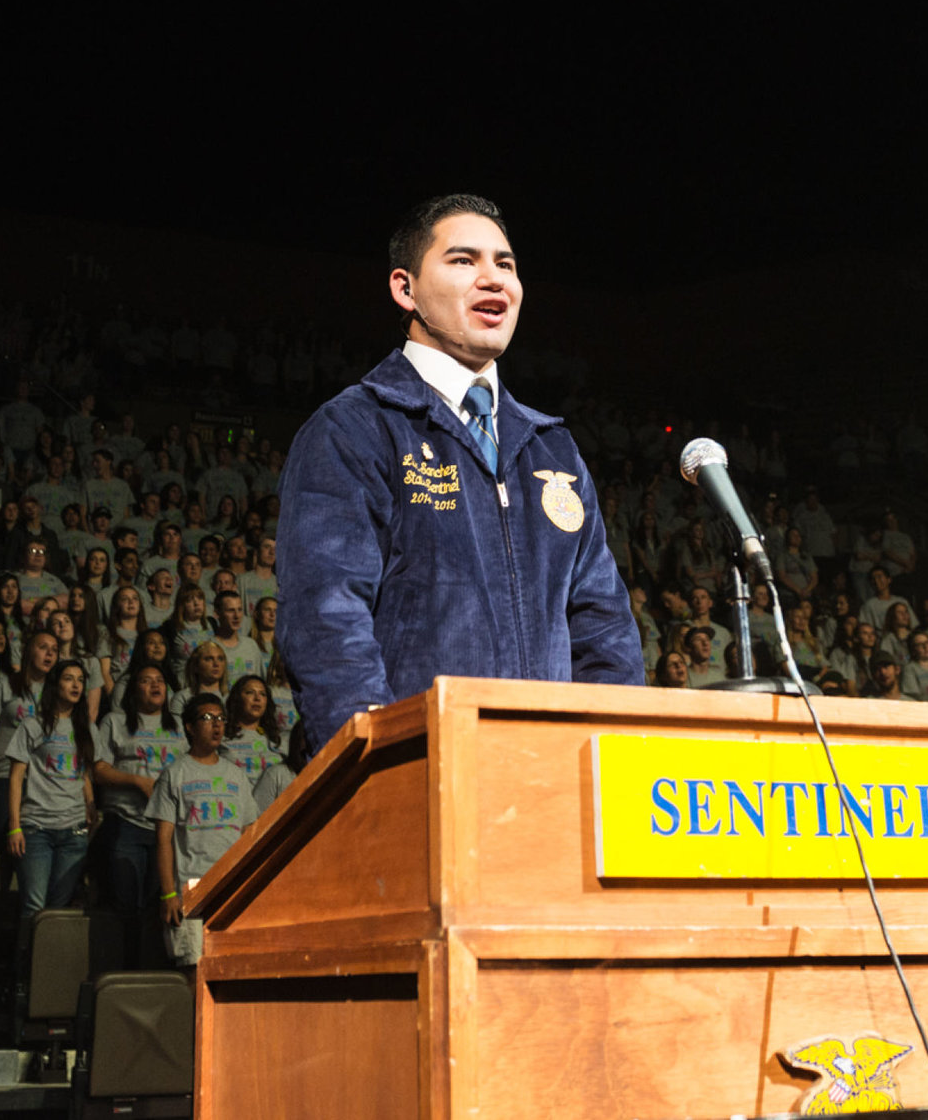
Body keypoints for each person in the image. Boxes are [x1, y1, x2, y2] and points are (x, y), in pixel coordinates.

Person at [278, 196, 639, 750]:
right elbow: (327, 619)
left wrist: (609, 753)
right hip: (417, 776)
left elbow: (604, 630)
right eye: (464, 261)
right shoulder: (353, 429)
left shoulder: (554, 451)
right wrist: (377, 762)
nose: (494, 279)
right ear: (406, 289)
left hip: (549, 784)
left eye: (506, 264)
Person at [150, 692, 259, 977]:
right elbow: (163, 838)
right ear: (189, 726)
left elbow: (249, 832)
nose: (217, 725)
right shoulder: (175, 774)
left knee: (229, 969)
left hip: (230, 890)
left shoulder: (236, 775)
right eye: (208, 718)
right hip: (191, 890)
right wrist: (168, 893)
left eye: (221, 718)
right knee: (193, 972)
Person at [92, 660, 179, 968]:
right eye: (146, 680)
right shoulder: (114, 722)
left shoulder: (179, 725)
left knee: (158, 907)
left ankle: (150, 974)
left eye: (160, 680)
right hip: (126, 822)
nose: (155, 685)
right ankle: (121, 974)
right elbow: (99, 770)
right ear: (132, 690)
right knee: (125, 905)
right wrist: (137, 781)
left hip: (166, 830)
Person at [3, 651, 96, 919]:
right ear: (55, 685)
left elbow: (85, 773)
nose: (76, 685)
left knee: (58, 909)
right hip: (36, 829)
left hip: (74, 830)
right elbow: (15, 776)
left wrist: (91, 806)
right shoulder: (33, 724)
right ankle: (24, 961)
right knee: (34, 907)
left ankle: (49, 962)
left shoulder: (86, 728)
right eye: (69, 679)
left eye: (80, 680)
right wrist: (14, 827)